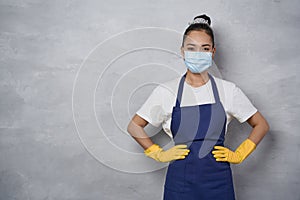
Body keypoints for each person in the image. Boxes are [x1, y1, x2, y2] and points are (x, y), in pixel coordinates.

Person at [127, 14, 269, 200]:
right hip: (180, 183)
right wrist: (158, 153)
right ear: (183, 51)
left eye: (205, 48)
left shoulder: (228, 90)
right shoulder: (166, 91)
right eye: (192, 48)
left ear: (213, 52)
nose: (198, 53)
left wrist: (239, 154)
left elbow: (261, 125)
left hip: (218, 182)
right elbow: (134, 126)